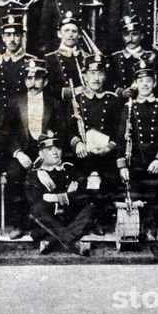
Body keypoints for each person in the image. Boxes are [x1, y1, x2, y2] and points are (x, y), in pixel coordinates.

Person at [4, 58, 65, 238]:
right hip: (23, 151)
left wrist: (47, 155)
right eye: (29, 78)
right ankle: (19, 223)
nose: (33, 82)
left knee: (54, 175)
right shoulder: (14, 102)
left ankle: (47, 223)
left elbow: (62, 132)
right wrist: (18, 153)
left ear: (45, 81)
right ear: (24, 81)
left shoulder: (55, 103)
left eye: (37, 78)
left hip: (47, 152)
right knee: (14, 175)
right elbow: (7, 132)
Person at [116, 60, 158, 241]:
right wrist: (122, 166)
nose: (145, 84)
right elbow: (120, 140)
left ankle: (150, 230)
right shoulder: (128, 107)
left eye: (149, 80)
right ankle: (135, 230)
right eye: (141, 81)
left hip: (156, 163)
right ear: (135, 84)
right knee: (135, 195)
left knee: (153, 195)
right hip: (135, 162)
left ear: (155, 82)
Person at [68, 54, 122, 235]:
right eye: (92, 73)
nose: (96, 78)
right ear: (84, 75)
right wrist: (77, 144)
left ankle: (98, 219)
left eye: (100, 73)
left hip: (105, 154)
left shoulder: (113, 100)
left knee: (109, 179)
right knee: (78, 179)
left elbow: (118, 131)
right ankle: (81, 219)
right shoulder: (76, 100)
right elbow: (66, 129)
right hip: (82, 153)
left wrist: (109, 147)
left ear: (105, 76)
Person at [24, 131, 95, 255]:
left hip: (69, 217)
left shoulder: (70, 168)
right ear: (40, 153)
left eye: (57, 148)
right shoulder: (33, 174)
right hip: (50, 218)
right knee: (37, 210)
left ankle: (52, 241)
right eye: (49, 149)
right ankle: (73, 242)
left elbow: (82, 195)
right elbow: (35, 201)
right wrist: (68, 196)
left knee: (91, 207)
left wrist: (53, 198)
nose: (55, 152)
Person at [105, 15, 158, 99]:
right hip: (122, 104)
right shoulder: (115, 58)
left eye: (134, 34)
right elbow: (108, 84)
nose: (130, 38)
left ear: (142, 36)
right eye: (126, 35)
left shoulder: (150, 56)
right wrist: (121, 92)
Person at [0, 14, 36, 101]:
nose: (12, 39)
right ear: (3, 38)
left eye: (16, 35)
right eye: (8, 35)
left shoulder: (31, 61)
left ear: (22, 37)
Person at [45, 11, 87, 101]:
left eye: (74, 31)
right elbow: (47, 89)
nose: (70, 35)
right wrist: (71, 92)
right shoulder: (49, 59)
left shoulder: (86, 57)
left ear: (79, 35)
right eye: (66, 30)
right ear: (59, 34)